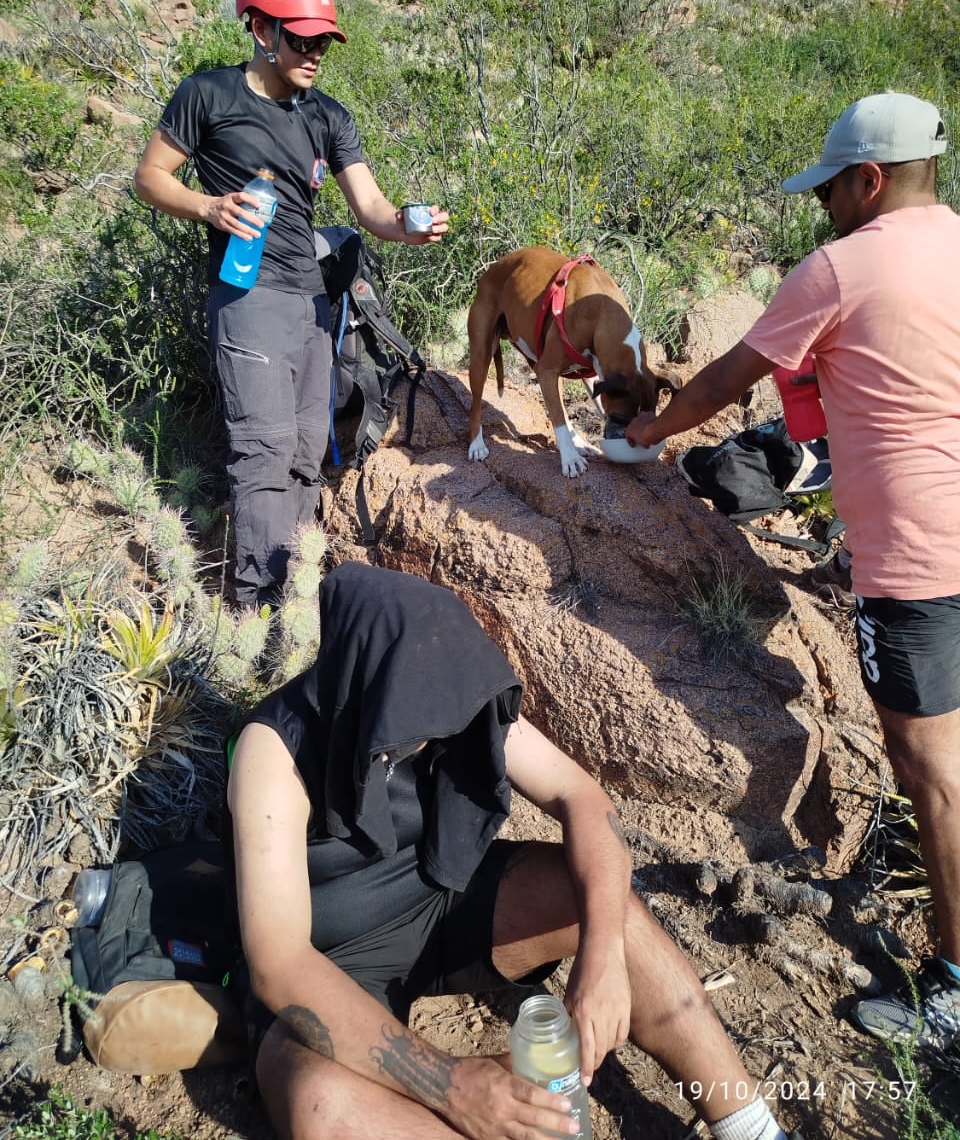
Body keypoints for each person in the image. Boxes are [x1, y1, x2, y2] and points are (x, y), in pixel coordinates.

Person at [227, 562, 793, 1140]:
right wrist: (453, 1085)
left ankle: (750, 1128)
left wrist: (603, 954)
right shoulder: (273, 751)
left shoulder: (454, 695)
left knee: (605, 904)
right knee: (322, 1109)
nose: (434, 736)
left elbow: (583, 799)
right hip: (331, 962)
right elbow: (281, 964)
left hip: (439, 902)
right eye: (416, 725)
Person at [626, 91, 960, 1049]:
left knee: (930, 773)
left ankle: (953, 986)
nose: (824, 210)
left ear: (869, 180)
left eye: (832, 192)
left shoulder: (840, 269)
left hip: (915, 559)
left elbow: (729, 377)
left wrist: (646, 432)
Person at [133, 0, 449, 606]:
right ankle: (255, 614)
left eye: (323, 44)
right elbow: (149, 178)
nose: (314, 55)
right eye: (301, 39)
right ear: (260, 30)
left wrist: (407, 224)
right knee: (263, 452)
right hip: (246, 300)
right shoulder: (208, 95)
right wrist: (209, 205)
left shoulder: (327, 116)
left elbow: (372, 208)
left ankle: (296, 601)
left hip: (311, 305)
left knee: (308, 449)